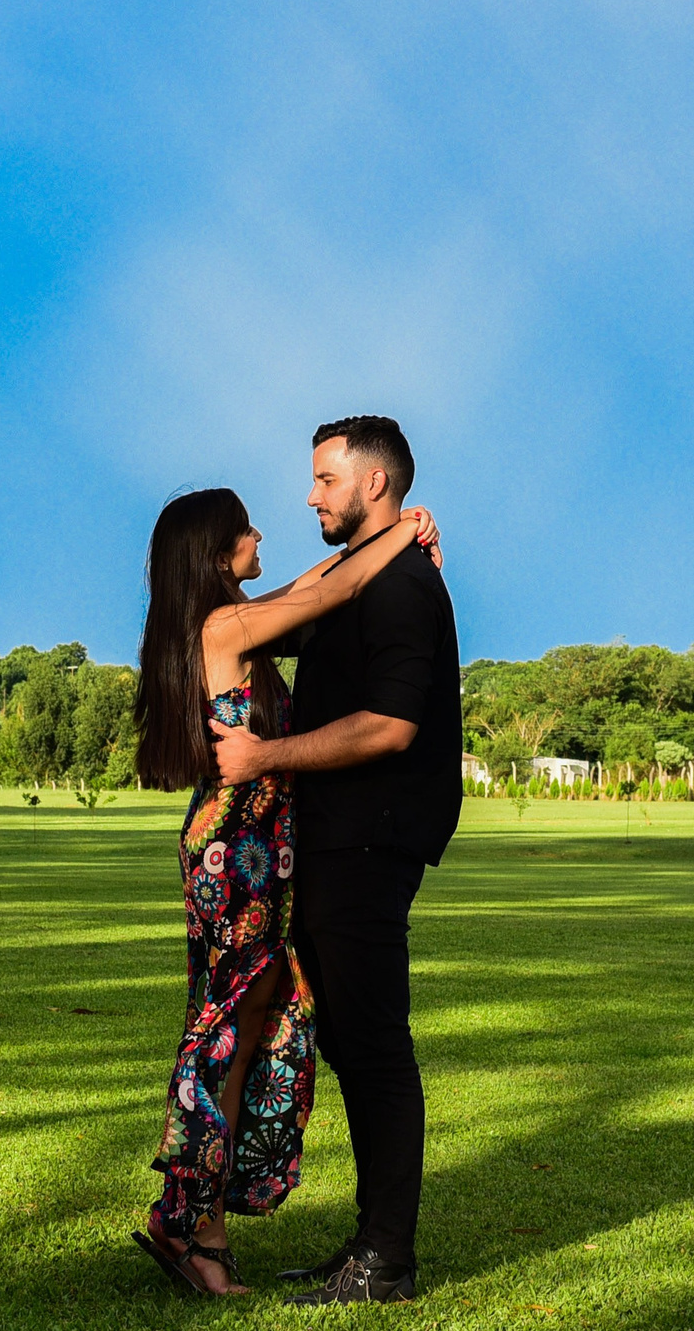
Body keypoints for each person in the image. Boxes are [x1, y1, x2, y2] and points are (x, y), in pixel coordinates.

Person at [130, 485, 441, 1297]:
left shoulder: (231, 620)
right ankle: (189, 1224)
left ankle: (200, 1223)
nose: (261, 531)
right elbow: (337, 588)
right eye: (245, 528)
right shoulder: (223, 627)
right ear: (216, 551)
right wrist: (404, 530)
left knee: (242, 1028)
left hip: (251, 849)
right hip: (235, 850)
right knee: (224, 1032)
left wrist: (390, 535)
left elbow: (313, 584)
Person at [211, 416, 461, 1308]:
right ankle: (370, 1242)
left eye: (325, 478)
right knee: (352, 1042)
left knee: (376, 1045)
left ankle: (386, 1261)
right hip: (333, 840)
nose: (311, 494)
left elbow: (391, 726)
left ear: (374, 482)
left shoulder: (402, 586)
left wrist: (264, 757)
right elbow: (273, 615)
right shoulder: (361, 575)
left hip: (369, 840)